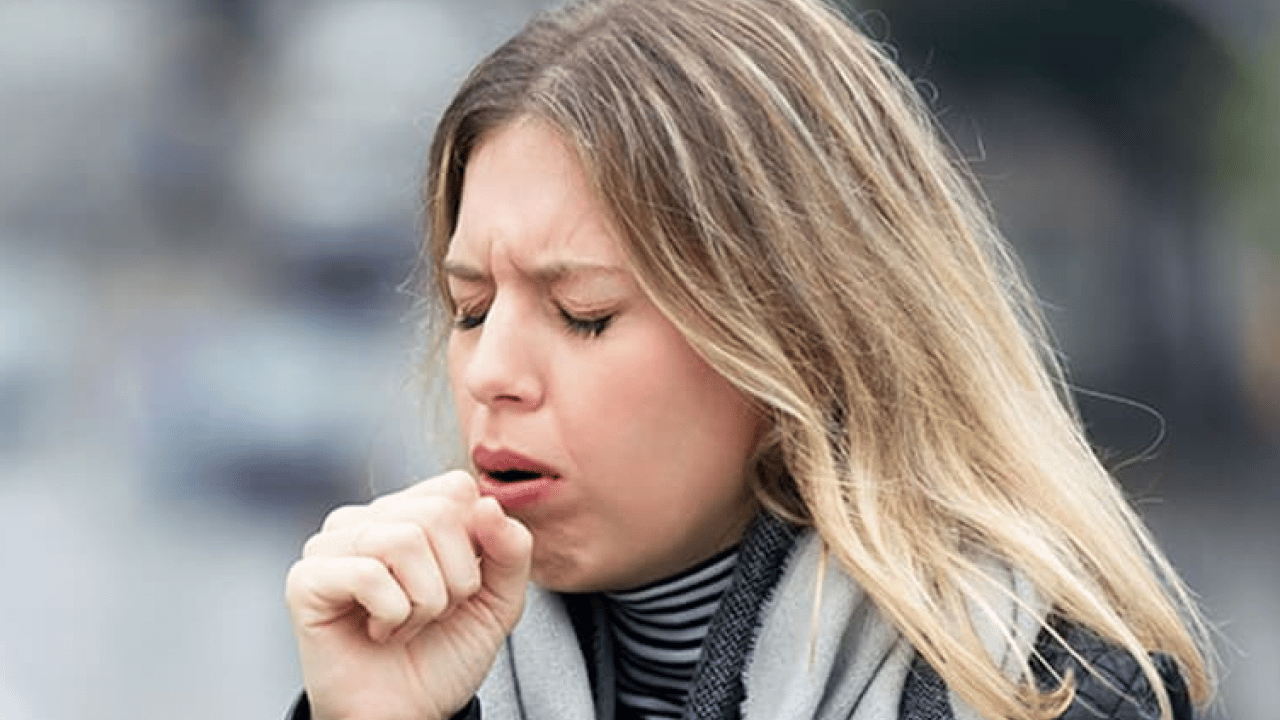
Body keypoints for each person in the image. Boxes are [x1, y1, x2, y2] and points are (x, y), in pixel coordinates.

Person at [282, 0, 1217, 718]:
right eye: (472, 307)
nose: (491, 372)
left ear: (795, 337)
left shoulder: (1050, 689)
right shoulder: (434, 663)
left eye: (584, 314)